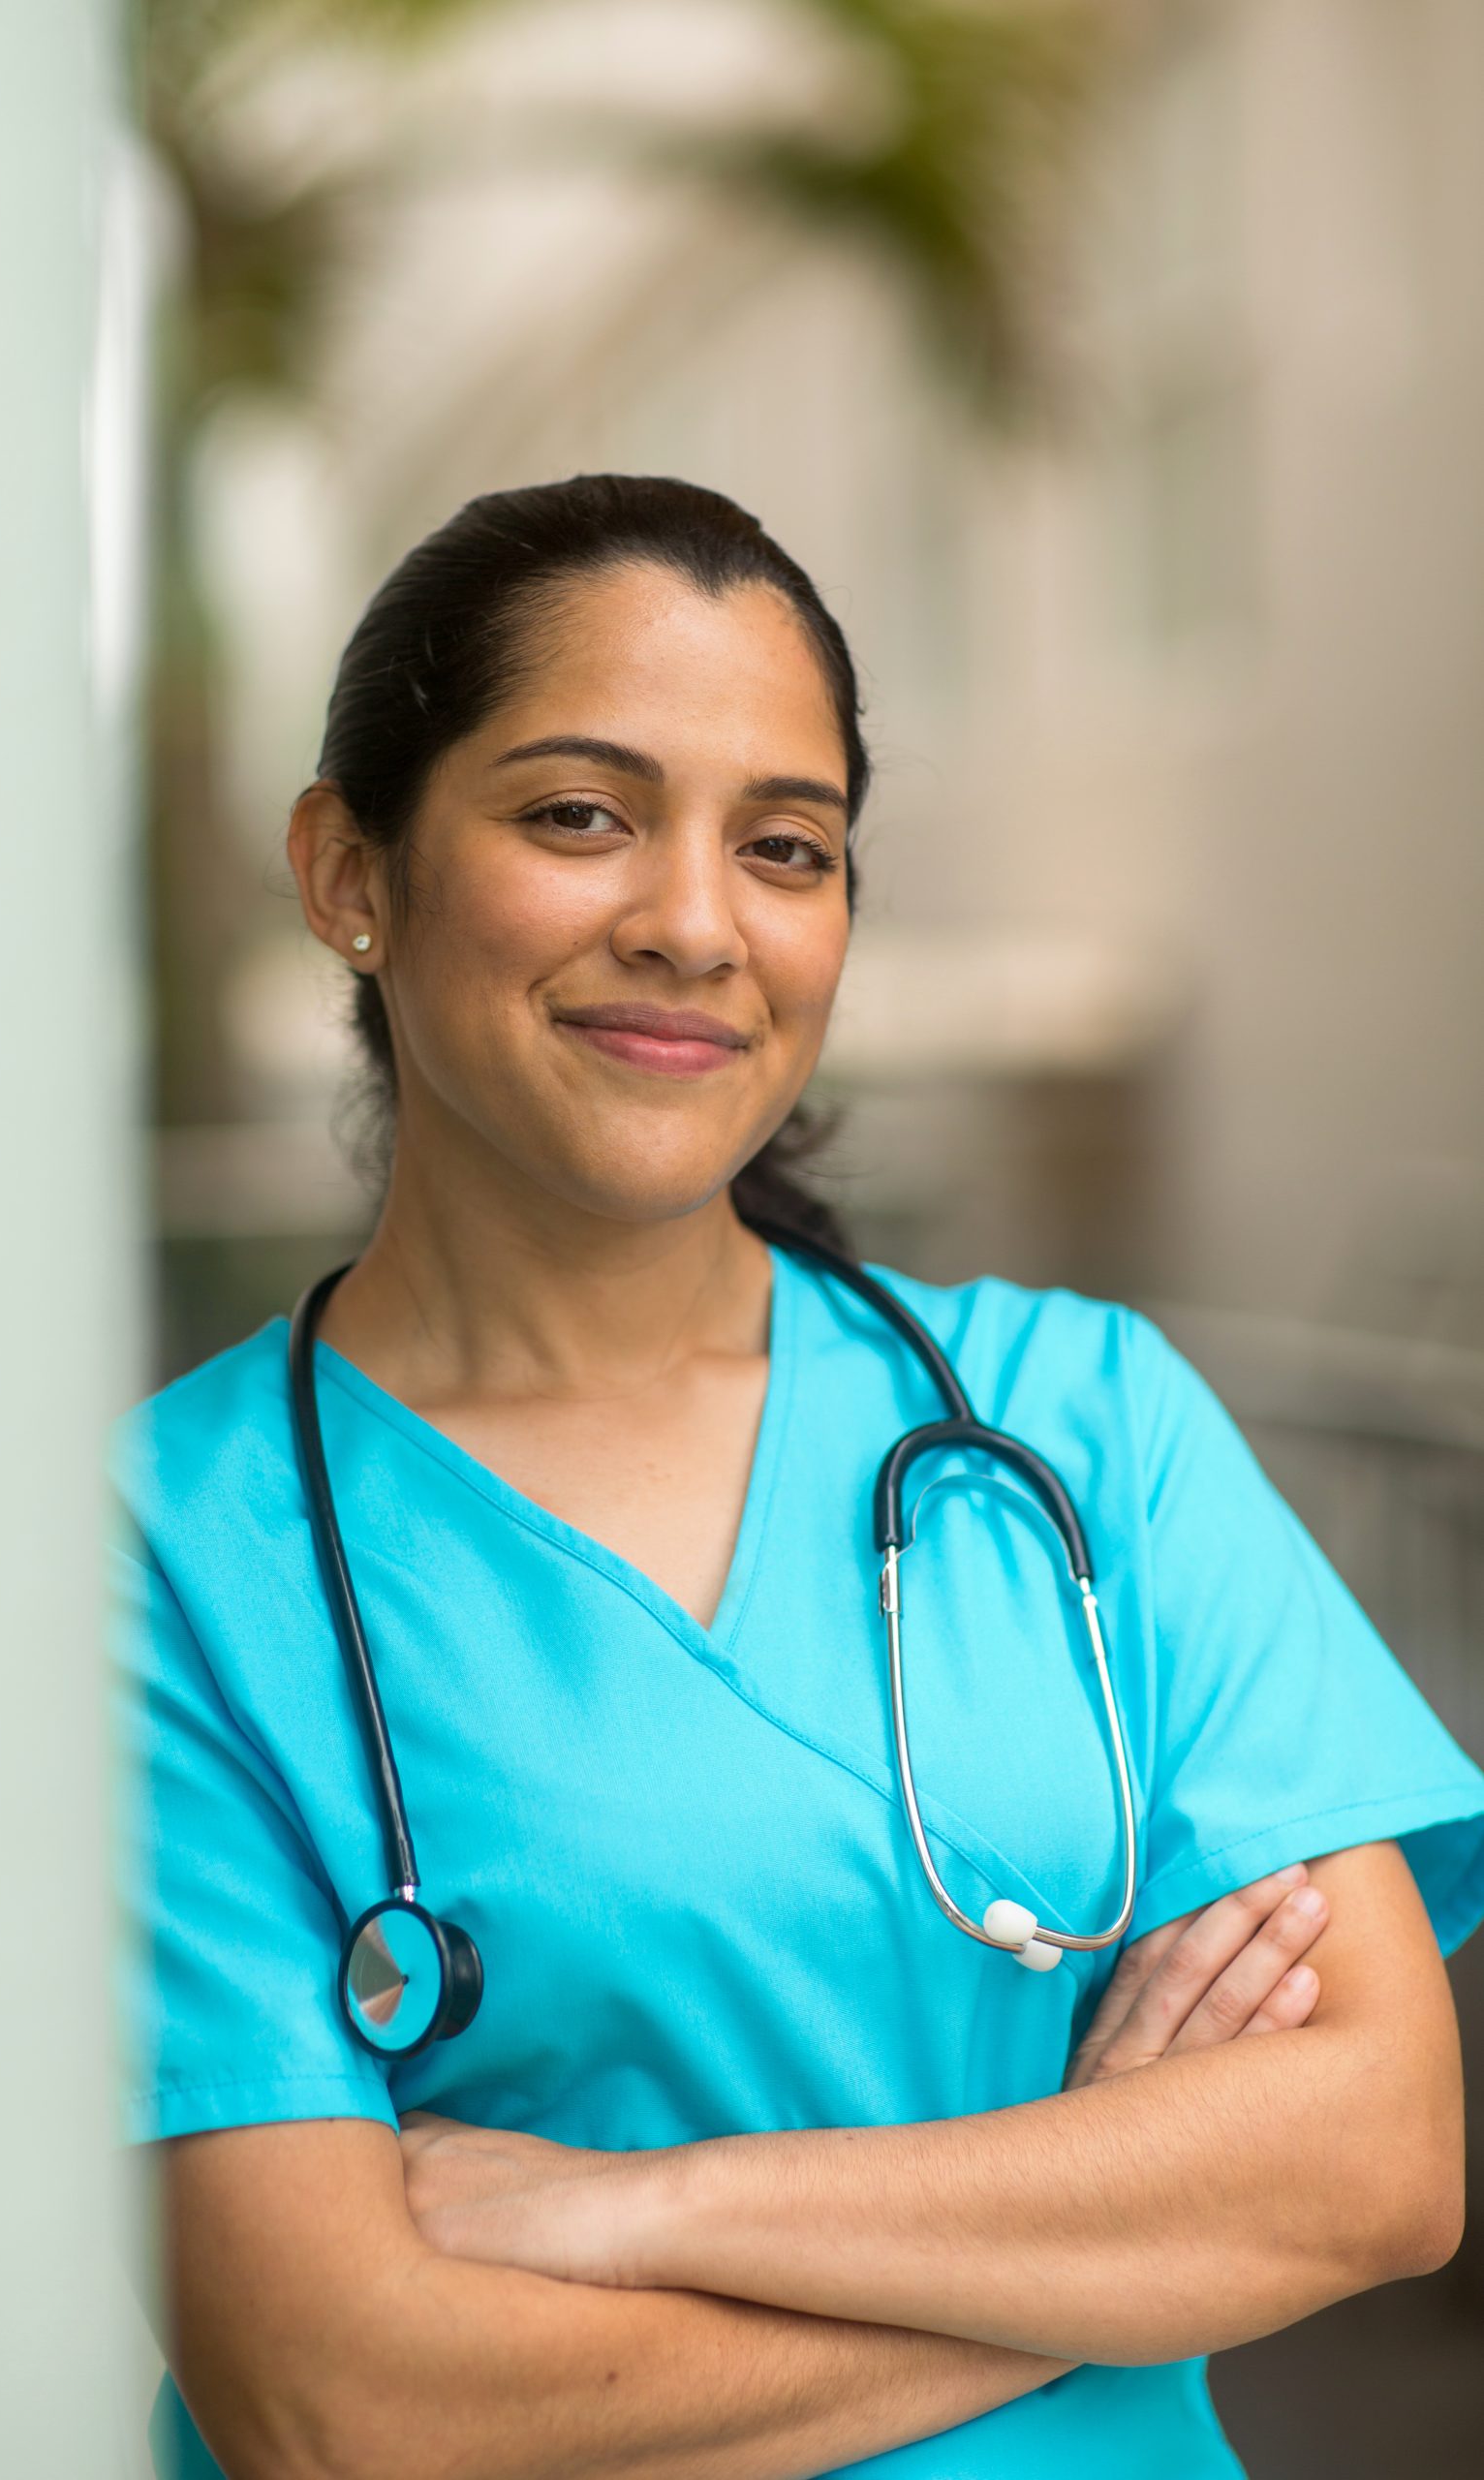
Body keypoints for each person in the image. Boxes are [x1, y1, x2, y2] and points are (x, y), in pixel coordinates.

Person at [111, 475, 1484, 2480]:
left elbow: (1374, 2162)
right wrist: (1105, 2248)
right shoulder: (151, 1556)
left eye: (784, 844)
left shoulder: (1077, 1421)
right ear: (349, 869)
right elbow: (347, 2403)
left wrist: (626, 2208)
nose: (691, 922)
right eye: (577, 813)